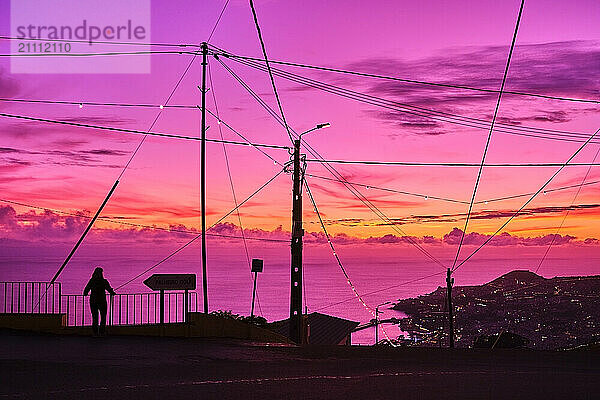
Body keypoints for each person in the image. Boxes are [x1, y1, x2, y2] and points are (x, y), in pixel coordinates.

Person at [83, 267, 116, 336]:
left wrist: (85, 293)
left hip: (93, 301)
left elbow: (86, 290)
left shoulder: (92, 281)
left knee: (95, 317)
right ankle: (102, 332)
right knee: (103, 317)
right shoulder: (104, 281)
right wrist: (112, 292)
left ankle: (95, 332)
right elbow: (109, 290)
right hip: (102, 301)